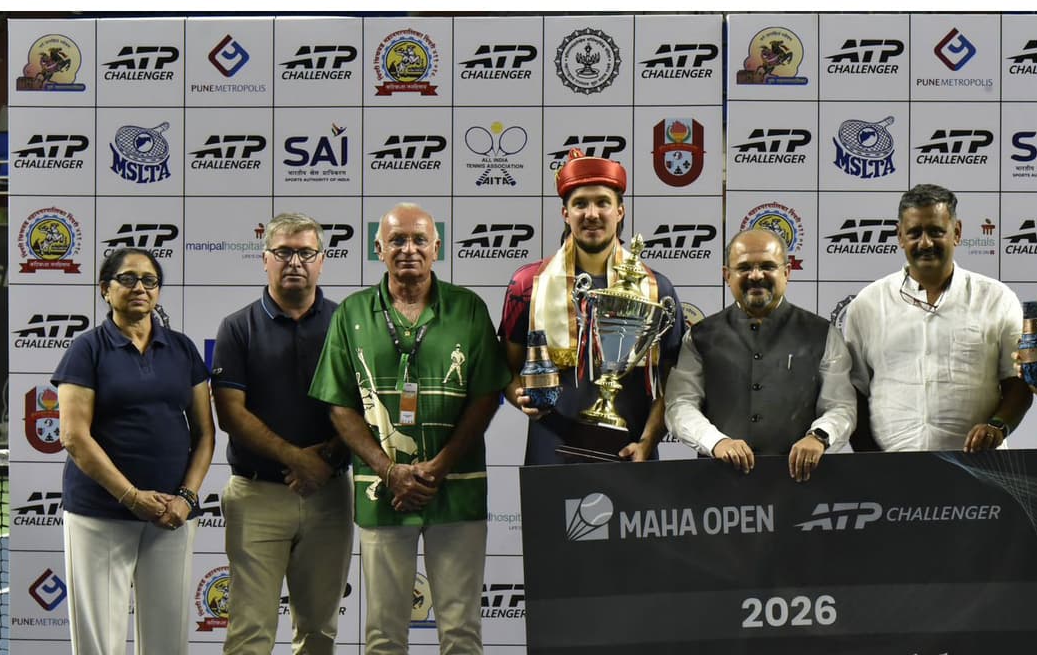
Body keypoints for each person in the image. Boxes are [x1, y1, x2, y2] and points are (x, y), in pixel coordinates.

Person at [309, 203, 511, 655]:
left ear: (436, 247)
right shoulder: (352, 314)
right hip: (383, 494)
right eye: (397, 240)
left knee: (461, 631)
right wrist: (388, 470)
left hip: (457, 489)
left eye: (419, 239)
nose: (408, 249)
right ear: (378, 248)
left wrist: (438, 467)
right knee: (383, 635)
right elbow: (339, 404)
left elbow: (485, 396)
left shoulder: (469, 309)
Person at [52, 247, 214, 655]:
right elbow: (73, 437)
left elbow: (205, 433)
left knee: (167, 642)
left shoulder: (182, 349)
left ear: (158, 292)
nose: (139, 287)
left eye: (149, 280)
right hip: (99, 514)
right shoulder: (86, 350)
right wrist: (131, 497)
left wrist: (187, 499)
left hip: (171, 517)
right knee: (99, 644)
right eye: (127, 279)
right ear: (105, 289)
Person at [212, 213, 352, 655]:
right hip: (257, 496)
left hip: (329, 495)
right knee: (250, 634)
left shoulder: (349, 323)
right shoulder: (237, 327)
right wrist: (299, 459)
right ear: (265, 260)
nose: (295, 262)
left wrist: (325, 460)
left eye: (305, 253)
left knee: (319, 632)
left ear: (322, 261)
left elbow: (369, 408)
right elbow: (231, 415)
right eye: (284, 252)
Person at [499, 149, 685, 463]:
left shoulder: (656, 288)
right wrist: (519, 397)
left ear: (620, 211)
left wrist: (648, 442)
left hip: (631, 455)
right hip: (551, 453)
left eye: (602, 202)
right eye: (580, 204)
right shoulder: (528, 284)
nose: (592, 213)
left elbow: (673, 381)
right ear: (565, 213)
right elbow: (504, 367)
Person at [842, 183, 1032, 453]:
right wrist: (872, 463)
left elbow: (1018, 382)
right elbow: (854, 391)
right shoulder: (867, 304)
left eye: (936, 231)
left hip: (980, 472)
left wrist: (998, 426)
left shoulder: (997, 299)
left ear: (956, 232)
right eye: (914, 233)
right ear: (899, 236)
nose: (925, 243)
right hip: (891, 472)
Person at [663, 228, 855, 481]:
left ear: (786, 273)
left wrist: (819, 436)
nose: (756, 276)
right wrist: (716, 442)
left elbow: (841, 406)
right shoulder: (698, 337)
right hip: (719, 485)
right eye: (743, 268)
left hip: (800, 485)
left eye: (767, 266)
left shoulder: (823, 334)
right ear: (726, 275)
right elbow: (680, 405)